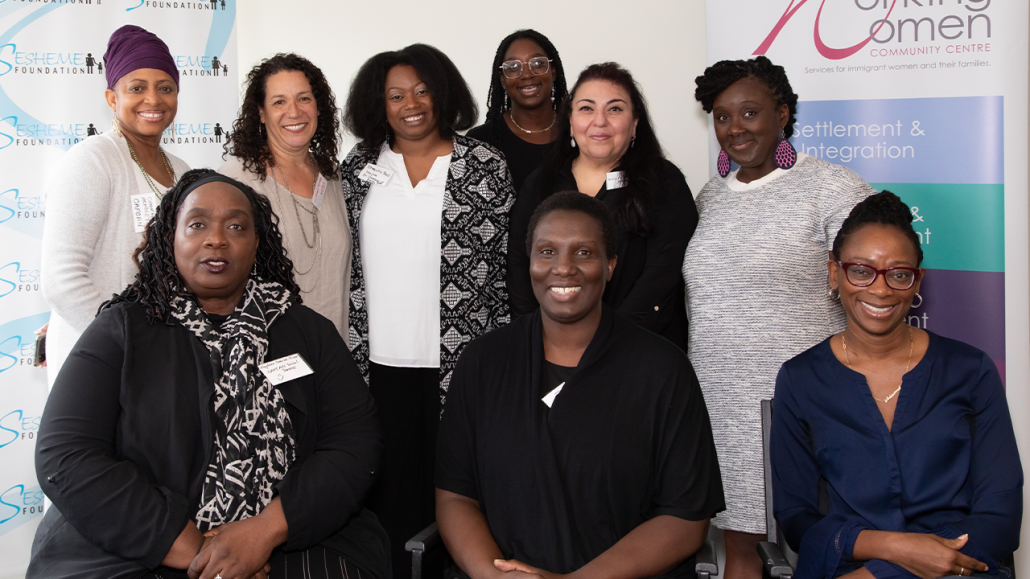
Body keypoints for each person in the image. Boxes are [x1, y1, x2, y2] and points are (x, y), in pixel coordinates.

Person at [28, 169, 390, 579]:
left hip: (288, 541)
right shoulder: (122, 330)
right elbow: (67, 455)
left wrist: (263, 532)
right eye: (197, 224)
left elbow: (355, 443)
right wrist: (195, 549)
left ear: (256, 244)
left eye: (236, 226)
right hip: (141, 544)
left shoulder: (307, 332)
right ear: (170, 237)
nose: (216, 238)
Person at [437, 191, 725, 579]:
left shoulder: (661, 369)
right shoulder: (483, 362)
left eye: (584, 253)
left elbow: (687, 517)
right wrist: (497, 576)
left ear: (610, 266)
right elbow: (455, 496)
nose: (563, 268)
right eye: (547, 252)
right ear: (530, 263)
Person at [682, 56, 874, 578]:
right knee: (739, 550)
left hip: (798, 408)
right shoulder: (709, 198)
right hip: (718, 406)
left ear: (783, 114)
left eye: (750, 113)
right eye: (722, 117)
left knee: (818, 549)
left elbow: (872, 282)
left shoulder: (832, 189)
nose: (735, 128)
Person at [771, 191, 1022, 579]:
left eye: (899, 273)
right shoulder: (800, 378)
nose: (881, 288)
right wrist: (893, 547)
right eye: (861, 270)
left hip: (958, 569)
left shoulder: (970, 370)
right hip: (847, 566)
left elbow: (1000, 518)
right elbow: (796, 518)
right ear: (835, 274)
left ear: (917, 280)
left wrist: (880, 575)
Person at [340, 43, 515, 577]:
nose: (410, 104)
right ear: (379, 103)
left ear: (443, 95)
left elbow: (509, 267)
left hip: (462, 366)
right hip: (378, 367)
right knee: (387, 501)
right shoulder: (358, 168)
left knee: (461, 499)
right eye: (395, 95)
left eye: (421, 90)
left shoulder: (483, 164)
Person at [508, 62, 697, 352]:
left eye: (615, 109)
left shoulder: (664, 182)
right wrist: (544, 341)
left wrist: (606, 345)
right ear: (570, 120)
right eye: (586, 108)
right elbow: (519, 265)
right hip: (551, 352)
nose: (600, 121)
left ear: (634, 123)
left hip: (638, 352)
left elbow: (663, 274)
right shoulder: (541, 183)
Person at [40, 24, 191, 388]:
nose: (153, 100)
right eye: (137, 88)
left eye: (165, 88)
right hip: (102, 358)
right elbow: (61, 280)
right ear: (112, 98)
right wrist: (127, 341)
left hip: (160, 355)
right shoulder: (92, 160)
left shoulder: (183, 171)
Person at [220, 53, 351, 340]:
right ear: (262, 114)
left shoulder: (333, 176)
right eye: (279, 102)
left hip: (335, 354)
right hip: (270, 356)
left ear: (318, 107)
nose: (294, 112)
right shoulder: (236, 181)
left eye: (304, 98)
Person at [466, 29, 568, 193]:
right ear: (502, 80)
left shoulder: (578, 133)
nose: (527, 74)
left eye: (537, 63)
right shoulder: (481, 142)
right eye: (513, 67)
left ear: (553, 71)